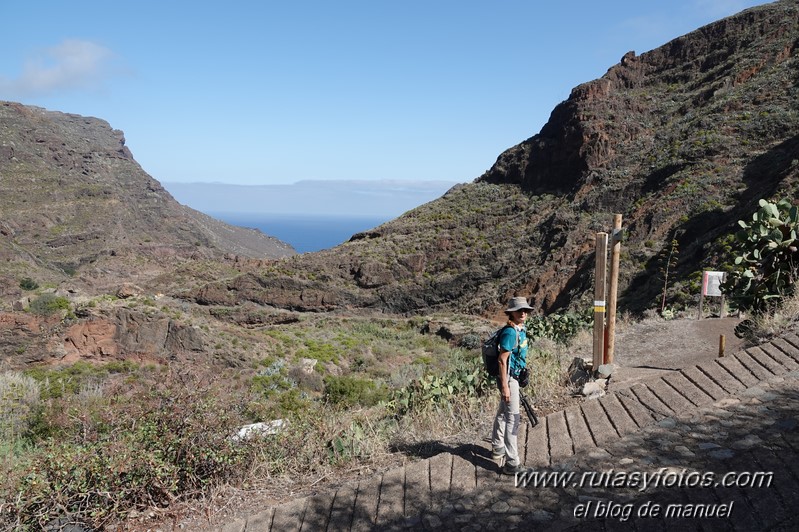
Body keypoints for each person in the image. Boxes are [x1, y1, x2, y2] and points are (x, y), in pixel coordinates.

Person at [491, 296, 533, 475]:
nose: (523, 313)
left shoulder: (520, 329)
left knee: (503, 413)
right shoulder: (510, 332)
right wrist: (505, 387)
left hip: (513, 378)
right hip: (509, 380)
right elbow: (502, 360)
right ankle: (512, 463)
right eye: (519, 310)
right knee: (513, 419)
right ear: (512, 313)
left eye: (525, 310)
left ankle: (497, 447)